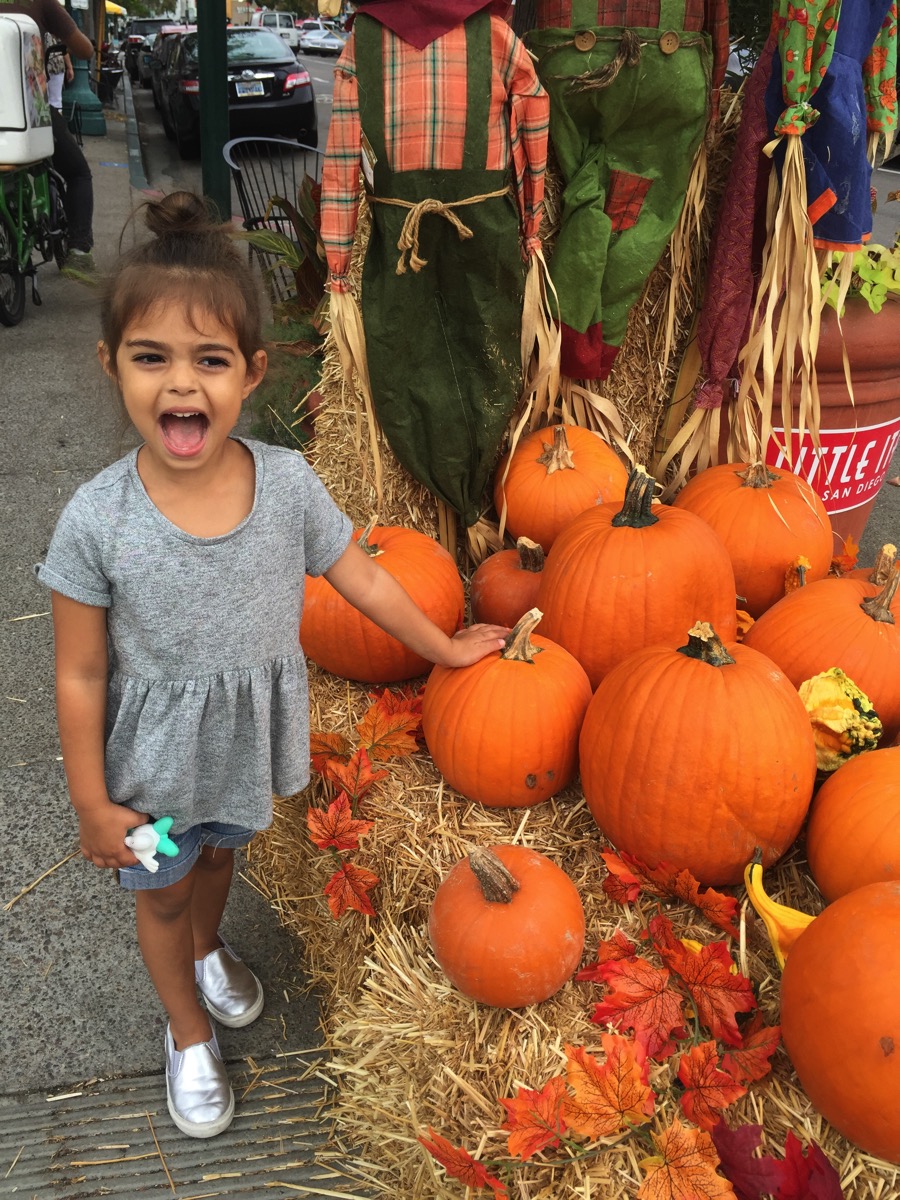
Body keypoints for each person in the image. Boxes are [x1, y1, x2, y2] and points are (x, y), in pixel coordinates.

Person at [35, 192, 508, 1140]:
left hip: (242, 745)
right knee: (163, 891)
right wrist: (92, 802)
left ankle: (210, 952)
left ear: (251, 373)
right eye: (152, 358)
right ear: (111, 366)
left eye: (209, 360)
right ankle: (186, 1030)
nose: (182, 385)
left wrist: (445, 644)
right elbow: (80, 673)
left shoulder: (287, 486)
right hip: (152, 770)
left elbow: (365, 583)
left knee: (220, 855)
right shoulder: (97, 519)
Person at [3, 0, 95, 263]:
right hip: (29, 114)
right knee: (78, 173)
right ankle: (78, 251)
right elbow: (85, 50)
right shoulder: (41, 2)